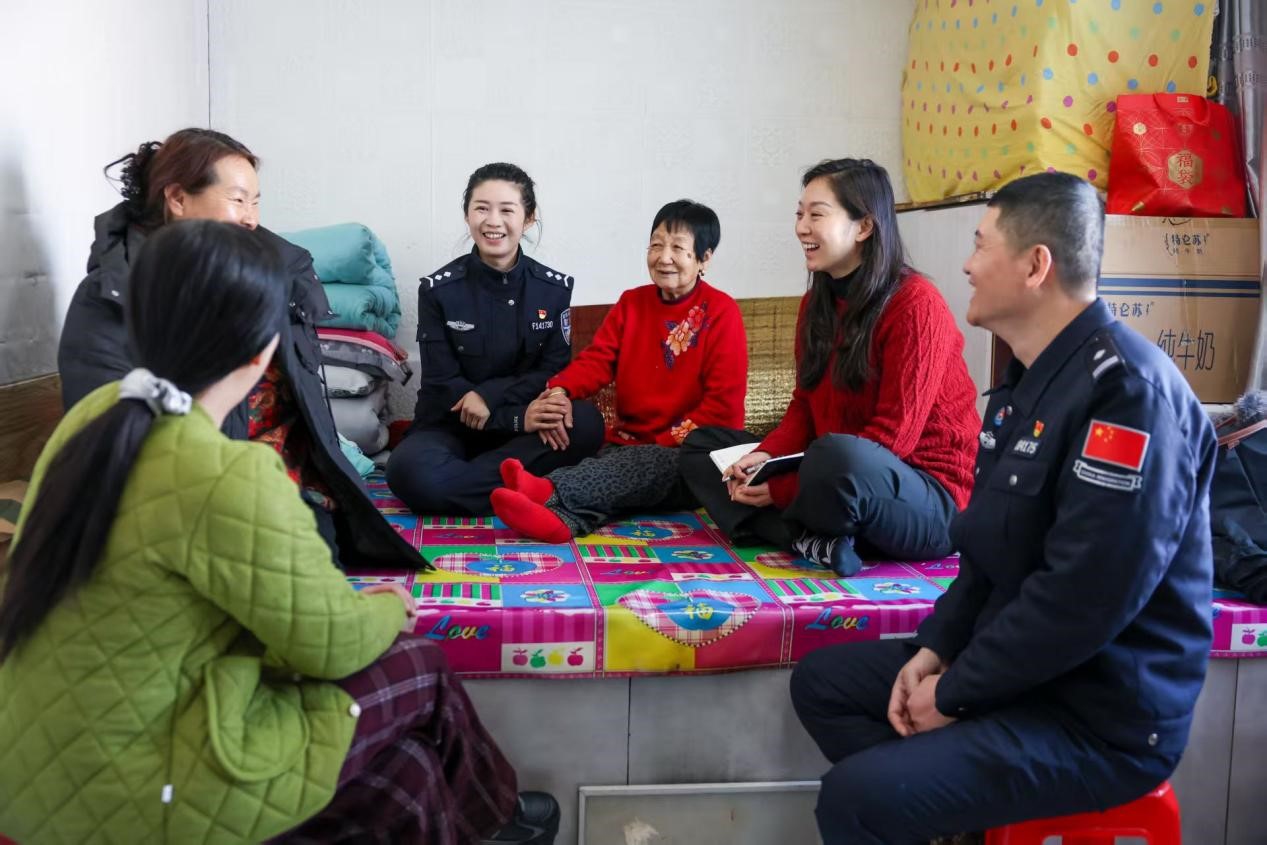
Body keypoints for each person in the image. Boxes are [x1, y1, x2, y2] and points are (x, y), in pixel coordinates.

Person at [0, 221, 521, 844]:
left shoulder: (93, 416)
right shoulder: (227, 473)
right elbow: (328, 645)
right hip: (141, 785)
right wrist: (387, 606)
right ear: (262, 352)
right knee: (419, 663)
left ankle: (493, 827)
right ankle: (502, 826)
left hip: (31, 773)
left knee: (406, 777)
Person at [789, 172, 1217, 844]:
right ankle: (950, 823)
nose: (965, 264)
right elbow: (985, 550)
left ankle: (924, 807)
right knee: (823, 683)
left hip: (1096, 714)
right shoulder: (1026, 384)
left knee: (855, 801)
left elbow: (1081, 599)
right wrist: (936, 647)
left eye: (980, 244)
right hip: (1022, 673)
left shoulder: (1128, 396)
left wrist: (958, 692)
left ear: (1034, 265)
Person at [57, 127, 418, 570]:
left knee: (316, 558)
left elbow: (300, 410)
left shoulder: (270, 277)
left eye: (255, 202)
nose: (250, 218)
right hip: (180, 494)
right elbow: (104, 433)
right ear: (178, 198)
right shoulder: (112, 296)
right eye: (237, 199)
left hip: (278, 481)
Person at [680, 158, 979, 575]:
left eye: (816, 215)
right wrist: (764, 457)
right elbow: (804, 405)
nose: (801, 227)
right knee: (702, 448)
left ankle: (800, 527)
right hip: (837, 475)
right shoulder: (816, 303)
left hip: (925, 497)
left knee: (834, 456)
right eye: (799, 214)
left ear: (864, 226)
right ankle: (813, 540)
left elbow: (891, 442)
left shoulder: (916, 303)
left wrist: (783, 488)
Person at [489, 199, 747, 541]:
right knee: (609, 467)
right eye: (656, 245)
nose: (663, 257)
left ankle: (548, 490)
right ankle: (561, 522)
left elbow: (722, 409)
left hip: (694, 456)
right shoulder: (632, 302)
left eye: (677, 248)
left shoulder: (722, 312)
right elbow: (597, 360)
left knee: (636, 466)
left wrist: (656, 444)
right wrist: (561, 390)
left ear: (704, 258)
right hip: (627, 446)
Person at [387, 162, 605, 515]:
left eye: (507, 210)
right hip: (450, 426)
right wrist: (515, 418)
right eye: (482, 208)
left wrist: (494, 400)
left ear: (528, 218)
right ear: (467, 215)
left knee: (586, 423)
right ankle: (519, 486)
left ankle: (472, 484)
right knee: (407, 472)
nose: (493, 221)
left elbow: (552, 372)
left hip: (523, 430)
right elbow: (442, 383)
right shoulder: (438, 290)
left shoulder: (553, 290)